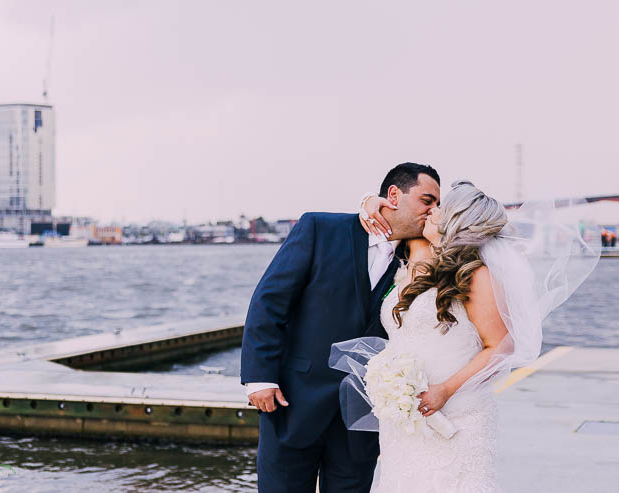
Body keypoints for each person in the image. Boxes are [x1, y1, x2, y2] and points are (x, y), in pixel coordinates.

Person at [342, 180, 598, 492]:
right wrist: (369, 200)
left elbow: (501, 346)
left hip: (457, 412)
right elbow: (387, 218)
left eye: (440, 208)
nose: (431, 211)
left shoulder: (476, 275)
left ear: (457, 222)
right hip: (407, 418)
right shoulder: (421, 263)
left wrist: (445, 390)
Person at [240, 162, 440, 493]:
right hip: (294, 401)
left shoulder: (420, 256)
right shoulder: (320, 228)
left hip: (364, 417)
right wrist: (260, 377)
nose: (433, 211)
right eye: (427, 200)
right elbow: (269, 301)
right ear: (393, 195)